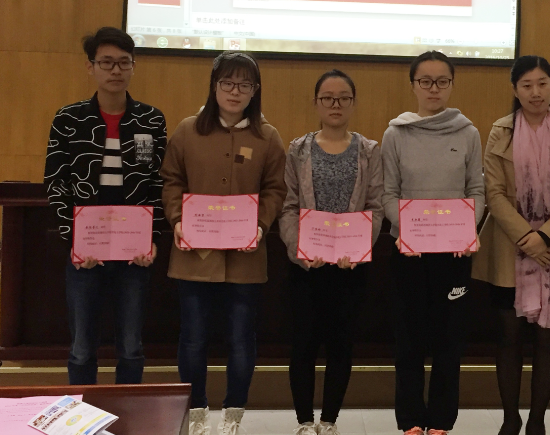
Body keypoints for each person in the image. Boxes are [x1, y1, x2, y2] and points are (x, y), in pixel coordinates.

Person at [160, 51, 287, 435]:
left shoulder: (267, 137)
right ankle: (197, 412)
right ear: (214, 87)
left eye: (244, 84)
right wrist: (178, 219)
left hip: (246, 258)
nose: (235, 91)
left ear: (255, 90)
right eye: (227, 83)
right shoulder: (187, 130)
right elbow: (171, 181)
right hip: (194, 255)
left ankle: (234, 413)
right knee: (193, 338)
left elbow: (275, 189)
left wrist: (260, 226)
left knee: (241, 340)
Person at [472, 55, 550, 435]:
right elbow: (494, 192)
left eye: (542, 84)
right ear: (515, 89)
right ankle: (510, 419)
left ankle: (537, 421)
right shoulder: (500, 131)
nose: (535, 92)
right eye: (527, 85)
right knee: (508, 338)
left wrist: (544, 237)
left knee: (547, 339)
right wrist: (527, 238)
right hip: (507, 248)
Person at [44, 27, 165, 385]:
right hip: (86, 251)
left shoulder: (151, 120)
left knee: (131, 346)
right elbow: (55, 184)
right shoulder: (69, 120)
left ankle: (128, 412)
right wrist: (74, 241)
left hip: (134, 253)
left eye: (124, 63)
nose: (116, 70)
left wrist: (152, 239)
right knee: (82, 347)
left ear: (133, 67)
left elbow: (158, 183)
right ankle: (85, 412)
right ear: (91, 66)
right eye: (107, 62)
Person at [381, 51, 485, 435]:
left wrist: (466, 229)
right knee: (408, 340)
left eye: (442, 81)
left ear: (451, 85)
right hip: (408, 251)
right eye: (425, 81)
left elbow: (476, 191)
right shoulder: (395, 134)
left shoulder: (468, 133)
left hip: (454, 253)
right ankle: (410, 419)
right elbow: (388, 194)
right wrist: (408, 230)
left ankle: (441, 421)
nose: (433, 88)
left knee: (448, 341)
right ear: (413, 86)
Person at [279, 69, 384, 435]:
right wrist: (299, 250)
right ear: (316, 103)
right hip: (307, 266)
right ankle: (304, 421)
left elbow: (376, 207)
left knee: (341, 344)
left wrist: (358, 248)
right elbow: (288, 206)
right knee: (303, 345)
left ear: (353, 103)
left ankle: (329, 421)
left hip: (350, 267)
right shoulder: (298, 149)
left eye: (343, 98)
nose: (335, 104)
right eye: (328, 98)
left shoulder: (369, 150)